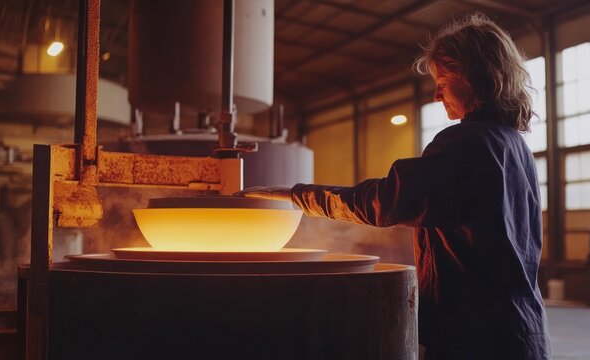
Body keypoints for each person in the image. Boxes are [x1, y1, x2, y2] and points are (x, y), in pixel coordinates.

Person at [236, 13, 551, 360]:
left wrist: (295, 195)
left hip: (477, 341)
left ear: (476, 76)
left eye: (443, 80)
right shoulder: (514, 146)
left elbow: (383, 203)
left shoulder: (465, 143)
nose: (436, 94)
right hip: (521, 332)